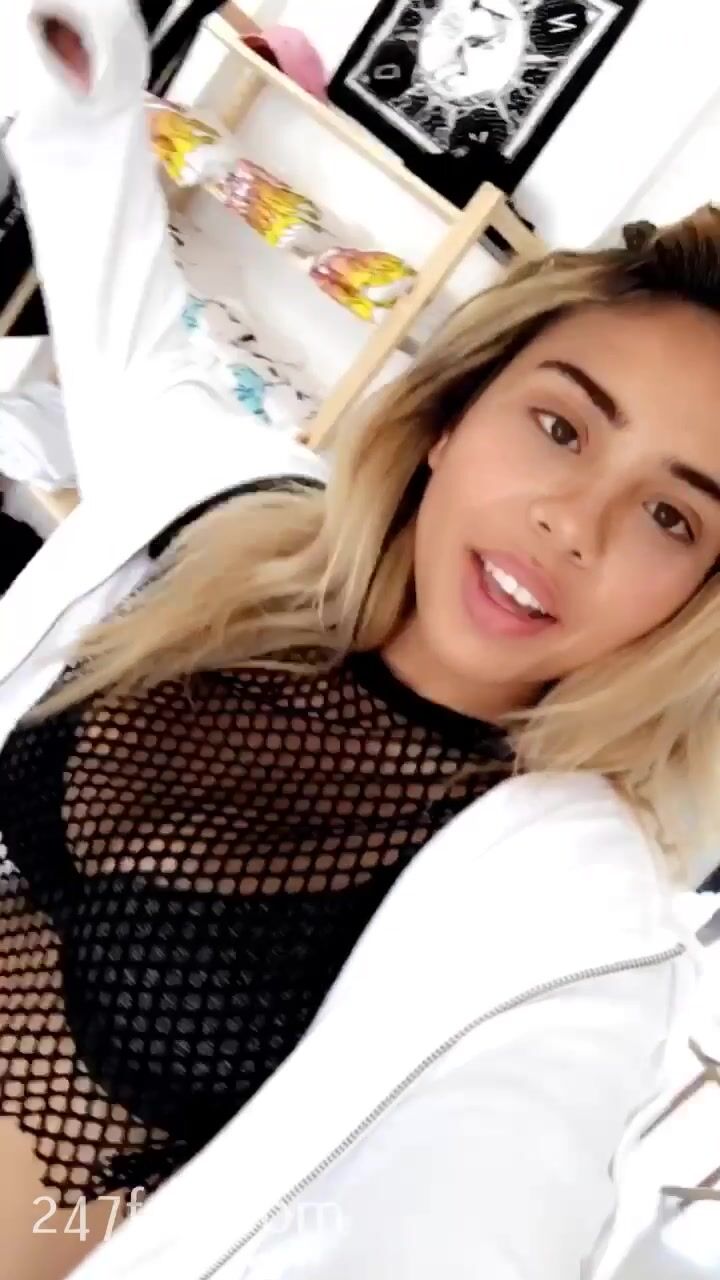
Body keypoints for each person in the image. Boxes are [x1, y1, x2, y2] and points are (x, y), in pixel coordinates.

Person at [1, 2, 719, 1278]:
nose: (573, 521)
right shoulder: (240, 539)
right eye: (561, 426)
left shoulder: (572, 909)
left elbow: (487, 1221)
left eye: (672, 514)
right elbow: (132, 336)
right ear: (451, 417)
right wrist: (87, 90)